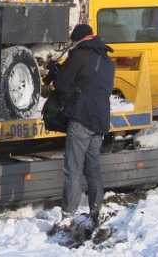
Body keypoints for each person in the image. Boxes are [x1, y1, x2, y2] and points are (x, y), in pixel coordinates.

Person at [51, 24, 115, 224]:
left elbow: (62, 85)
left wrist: (56, 73)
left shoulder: (79, 55)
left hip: (81, 119)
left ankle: (69, 214)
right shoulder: (107, 60)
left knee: (73, 170)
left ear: (77, 39)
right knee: (93, 168)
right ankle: (97, 210)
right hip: (100, 120)